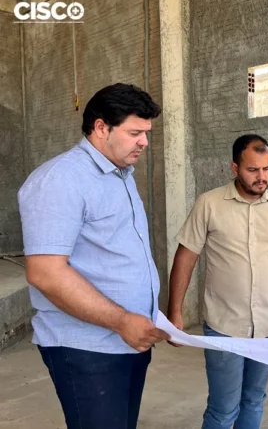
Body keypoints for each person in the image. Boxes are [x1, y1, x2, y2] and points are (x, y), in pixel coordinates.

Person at [18, 83, 169, 429]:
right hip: (87, 350)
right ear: (101, 128)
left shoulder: (121, 175)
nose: (145, 143)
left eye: (146, 133)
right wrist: (122, 320)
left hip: (129, 339)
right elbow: (45, 273)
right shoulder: (60, 180)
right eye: (135, 133)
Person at [167, 134, 268, 429]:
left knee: (254, 401)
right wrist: (175, 312)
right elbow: (185, 258)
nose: (261, 177)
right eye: (252, 169)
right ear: (235, 168)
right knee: (222, 410)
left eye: (266, 169)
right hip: (224, 328)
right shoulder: (209, 204)